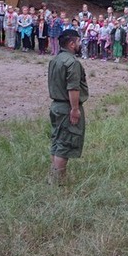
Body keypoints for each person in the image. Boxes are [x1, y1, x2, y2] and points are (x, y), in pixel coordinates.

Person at [47, 29, 89, 185]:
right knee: (65, 144)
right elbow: (73, 88)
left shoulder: (55, 59)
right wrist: (75, 109)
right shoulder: (72, 62)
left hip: (56, 106)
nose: (80, 44)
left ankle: (54, 176)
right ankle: (58, 182)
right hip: (67, 107)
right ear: (72, 44)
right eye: (78, 41)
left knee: (57, 141)